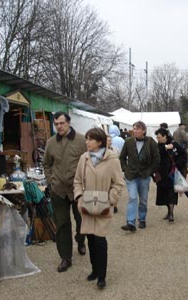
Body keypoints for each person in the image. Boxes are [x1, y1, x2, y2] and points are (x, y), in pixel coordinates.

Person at [74, 128, 124, 289]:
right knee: (90, 238)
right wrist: (79, 198)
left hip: (103, 204)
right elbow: (77, 181)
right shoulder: (84, 158)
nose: (86, 142)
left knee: (100, 240)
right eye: (86, 138)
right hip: (87, 203)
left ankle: (102, 276)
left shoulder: (112, 160)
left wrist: (111, 200)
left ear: (100, 142)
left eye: (90, 139)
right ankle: (94, 270)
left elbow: (118, 183)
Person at [43, 112, 87, 272]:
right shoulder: (51, 142)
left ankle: (81, 240)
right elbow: (46, 164)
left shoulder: (82, 141)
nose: (59, 127)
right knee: (62, 224)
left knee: (82, 221)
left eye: (61, 123)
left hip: (78, 190)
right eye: (56, 124)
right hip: (58, 190)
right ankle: (65, 257)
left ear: (69, 123)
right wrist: (51, 180)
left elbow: (91, 162)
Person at [120, 121, 160, 231]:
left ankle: (142, 219)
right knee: (132, 197)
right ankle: (130, 222)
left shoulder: (151, 142)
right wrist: (125, 169)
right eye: (134, 129)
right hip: (131, 175)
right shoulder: (128, 142)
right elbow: (122, 157)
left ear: (144, 130)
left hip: (144, 175)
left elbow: (157, 159)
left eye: (138, 129)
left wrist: (150, 171)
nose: (135, 131)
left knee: (143, 199)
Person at [154, 128, 187, 222]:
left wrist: (178, 165)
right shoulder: (158, 146)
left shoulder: (175, 144)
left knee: (172, 193)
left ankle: (171, 213)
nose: (158, 138)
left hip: (172, 173)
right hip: (162, 173)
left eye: (159, 137)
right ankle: (169, 211)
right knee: (164, 194)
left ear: (165, 136)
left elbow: (183, 155)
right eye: (157, 137)